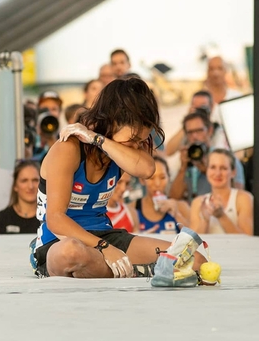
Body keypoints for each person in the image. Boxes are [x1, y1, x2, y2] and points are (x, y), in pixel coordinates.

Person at [29, 77, 206, 287]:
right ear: (110, 121)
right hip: (59, 241)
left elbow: (148, 169)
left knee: (195, 261)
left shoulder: (115, 148)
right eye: (132, 140)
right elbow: (56, 219)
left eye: (140, 141)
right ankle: (139, 271)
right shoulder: (68, 149)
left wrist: (98, 139)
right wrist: (104, 247)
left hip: (105, 235)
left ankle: (123, 270)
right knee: (72, 253)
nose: (135, 146)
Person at [168, 111, 244, 203]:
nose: (195, 136)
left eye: (199, 131)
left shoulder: (226, 158)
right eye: (190, 132)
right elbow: (174, 197)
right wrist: (183, 168)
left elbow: (238, 196)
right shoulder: (187, 159)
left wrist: (207, 171)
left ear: (210, 130)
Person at [190, 149, 253, 235]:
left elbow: (248, 239)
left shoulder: (244, 198)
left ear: (233, 172)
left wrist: (222, 216)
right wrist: (205, 220)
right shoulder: (197, 202)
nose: (217, 173)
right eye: (213, 167)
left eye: (223, 168)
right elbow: (190, 244)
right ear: (207, 170)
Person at [165, 90, 228, 157]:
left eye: (203, 107)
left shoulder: (219, 128)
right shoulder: (189, 130)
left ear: (212, 107)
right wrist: (188, 123)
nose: (199, 111)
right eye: (196, 108)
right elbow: (168, 151)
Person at [136, 157, 190, 234]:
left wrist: (177, 215)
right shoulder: (133, 209)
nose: (157, 183)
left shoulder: (181, 207)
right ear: (142, 180)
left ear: (169, 178)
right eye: (151, 178)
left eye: (162, 177)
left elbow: (196, 238)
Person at [0, 160, 40, 234]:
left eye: (35, 180)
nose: (30, 186)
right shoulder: (1, 219)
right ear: (15, 186)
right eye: (24, 181)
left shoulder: (50, 220)